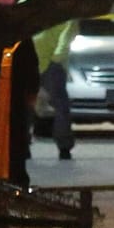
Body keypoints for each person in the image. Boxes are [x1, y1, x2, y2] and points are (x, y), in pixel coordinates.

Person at [31, 16, 78, 160]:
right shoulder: (29, 4)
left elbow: (67, 35)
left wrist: (57, 58)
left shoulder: (66, 9)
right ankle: (21, 146)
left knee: (59, 105)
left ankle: (64, 146)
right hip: (32, 61)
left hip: (50, 64)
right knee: (25, 106)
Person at [8, 36, 40, 188]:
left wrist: (32, 90)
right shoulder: (19, 36)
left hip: (14, 97)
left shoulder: (20, 38)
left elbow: (31, 65)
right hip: (14, 97)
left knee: (16, 138)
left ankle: (17, 181)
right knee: (16, 138)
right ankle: (17, 180)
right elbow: (32, 65)